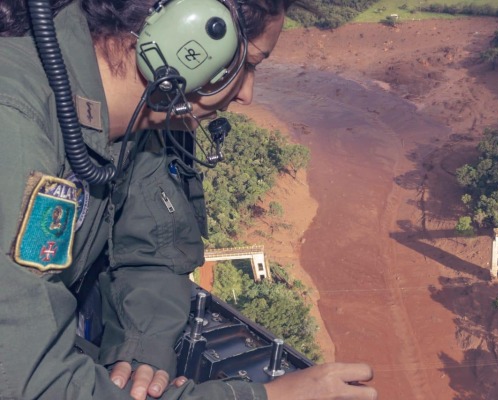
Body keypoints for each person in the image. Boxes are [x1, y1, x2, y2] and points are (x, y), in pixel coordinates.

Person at [0, 0, 378, 399]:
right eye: (248, 64)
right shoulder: (16, 126)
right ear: (189, 37)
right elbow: (33, 386)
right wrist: (270, 396)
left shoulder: (137, 126)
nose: (247, 93)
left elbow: (154, 248)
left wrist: (141, 348)